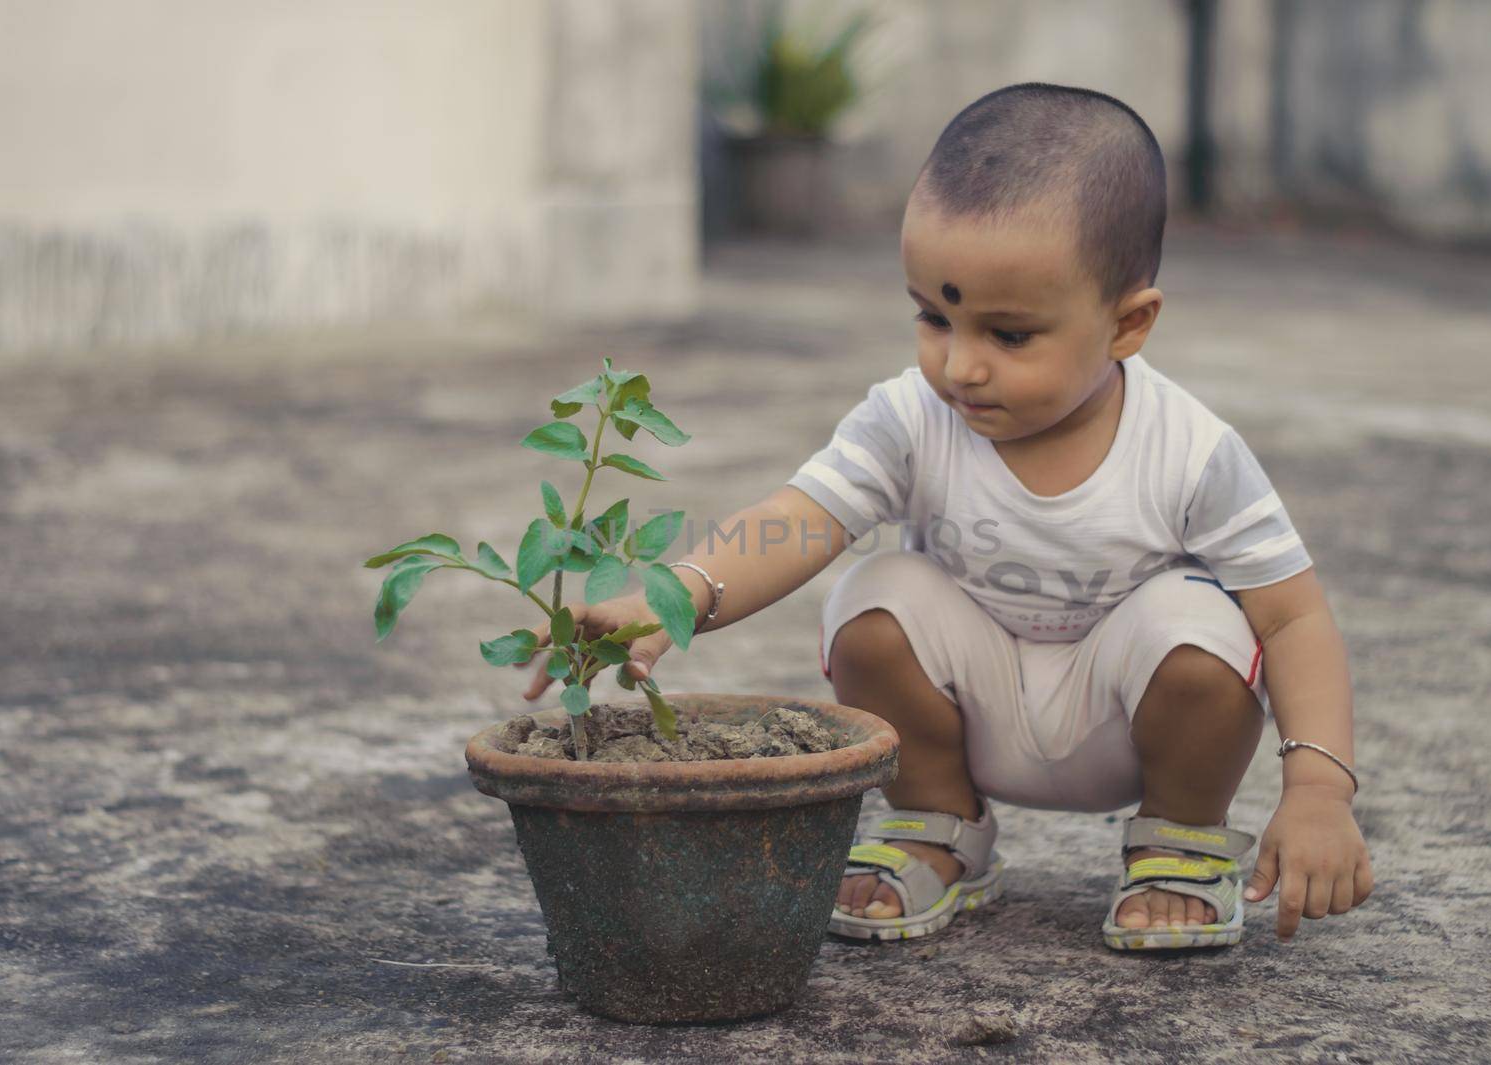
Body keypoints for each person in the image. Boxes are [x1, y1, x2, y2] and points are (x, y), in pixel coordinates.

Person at [517, 82, 1372, 950]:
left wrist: (1317, 789)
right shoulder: (909, 418)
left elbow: (1294, 614)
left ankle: (1178, 844)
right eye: (934, 316)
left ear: (1129, 324)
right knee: (875, 594)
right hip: (968, 711)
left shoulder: (1189, 449)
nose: (960, 366)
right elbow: (798, 516)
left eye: (1009, 335)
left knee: (1203, 625)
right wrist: (675, 595)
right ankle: (939, 824)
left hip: (1132, 719)